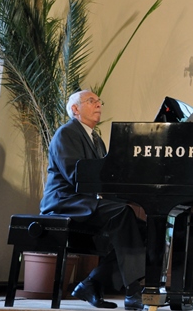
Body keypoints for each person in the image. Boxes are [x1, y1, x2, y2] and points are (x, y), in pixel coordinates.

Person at [39, 90, 146, 310]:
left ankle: (92, 283)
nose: (98, 105)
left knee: (145, 229)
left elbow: (105, 179)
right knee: (122, 213)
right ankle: (133, 291)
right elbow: (75, 174)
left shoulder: (96, 139)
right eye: (91, 101)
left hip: (85, 201)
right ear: (75, 109)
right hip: (64, 201)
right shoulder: (66, 133)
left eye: (99, 101)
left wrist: (134, 194)